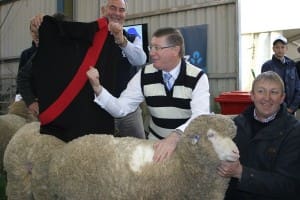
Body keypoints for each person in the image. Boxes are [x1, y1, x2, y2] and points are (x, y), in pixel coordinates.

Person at [86, 27, 210, 162]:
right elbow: (121, 109)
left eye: (157, 48)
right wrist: (98, 88)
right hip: (155, 146)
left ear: (175, 49)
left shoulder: (198, 77)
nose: (151, 53)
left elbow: (200, 118)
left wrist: (175, 136)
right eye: (151, 47)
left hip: (188, 145)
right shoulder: (144, 75)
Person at [29, 0, 147, 141]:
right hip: (98, 108)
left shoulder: (133, 38)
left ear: (125, 14)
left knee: (138, 150)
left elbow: (140, 59)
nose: (117, 13)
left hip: (128, 110)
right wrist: (46, 23)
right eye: (112, 8)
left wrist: (122, 41)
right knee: (98, 152)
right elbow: (62, 48)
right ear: (103, 10)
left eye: (121, 10)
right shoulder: (88, 35)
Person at [217, 71, 300, 199]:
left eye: (274, 92)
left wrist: (241, 173)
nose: (267, 97)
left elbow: (290, 185)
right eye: (261, 91)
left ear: (282, 97)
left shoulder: (293, 132)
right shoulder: (235, 126)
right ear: (252, 96)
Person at [16, 12, 69, 117]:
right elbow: (22, 77)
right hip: (39, 101)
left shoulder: (72, 50)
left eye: (38, 31)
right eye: (33, 31)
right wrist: (30, 101)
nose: (36, 34)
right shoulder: (31, 54)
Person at [261, 35, 300, 114]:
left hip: (290, 111)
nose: (280, 50)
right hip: (274, 110)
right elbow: (264, 89)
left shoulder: (292, 65)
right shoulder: (267, 66)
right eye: (277, 47)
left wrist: (292, 108)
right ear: (273, 49)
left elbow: (298, 88)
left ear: (286, 49)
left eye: (282, 47)